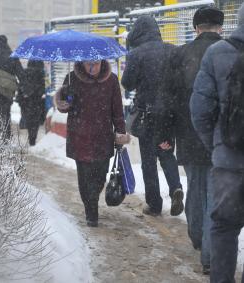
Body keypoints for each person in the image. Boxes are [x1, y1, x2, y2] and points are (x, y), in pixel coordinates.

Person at [155, 7, 224, 275]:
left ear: (195, 28)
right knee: (216, 194)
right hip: (222, 138)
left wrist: (164, 134)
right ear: (221, 27)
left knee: (196, 186)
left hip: (190, 134)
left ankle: (197, 236)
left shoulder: (179, 54)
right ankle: (210, 255)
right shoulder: (233, 53)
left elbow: (165, 100)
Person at [191, 4, 244, 282]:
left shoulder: (217, 53)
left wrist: (218, 146)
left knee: (224, 228)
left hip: (229, 161)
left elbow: (199, 110)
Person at [121, 15, 184, 217]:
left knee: (148, 161)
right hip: (169, 116)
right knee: (166, 152)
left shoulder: (136, 54)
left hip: (147, 115)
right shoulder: (173, 50)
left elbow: (127, 83)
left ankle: (154, 204)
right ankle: (176, 187)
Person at [55, 60, 130, 227]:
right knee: (84, 177)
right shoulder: (71, 78)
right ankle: (91, 211)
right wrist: (65, 97)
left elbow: (117, 110)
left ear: (102, 63)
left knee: (100, 176)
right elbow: (63, 108)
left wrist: (120, 131)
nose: (92, 68)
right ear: (82, 63)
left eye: (95, 64)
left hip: (102, 138)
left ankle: (92, 199)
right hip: (79, 136)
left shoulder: (111, 80)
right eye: (89, 64)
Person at [17, 60, 45, 146]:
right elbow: (44, 87)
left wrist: (21, 97)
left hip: (26, 100)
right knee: (35, 120)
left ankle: (30, 135)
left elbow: (20, 86)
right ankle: (33, 138)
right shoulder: (41, 73)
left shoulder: (24, 72)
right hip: (37, 101)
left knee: (28, 118)